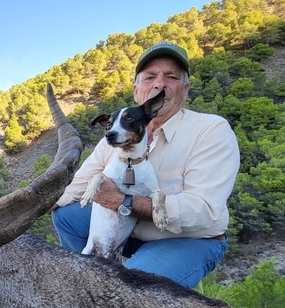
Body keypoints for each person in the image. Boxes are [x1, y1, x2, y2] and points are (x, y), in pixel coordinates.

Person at [51, 41, 240, 289]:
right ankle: (90, 285)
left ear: (185, 89)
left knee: (128, 293)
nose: (159, 84)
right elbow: (81, 182)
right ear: (137, 89)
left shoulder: (210, 131)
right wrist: (37, 205)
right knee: (65, 215)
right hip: (130, 230)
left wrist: (123, 201)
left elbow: (204, 213)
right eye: (150, 77)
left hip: (185, 238)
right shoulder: (117, 136)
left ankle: (112, 294)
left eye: (171, 77)